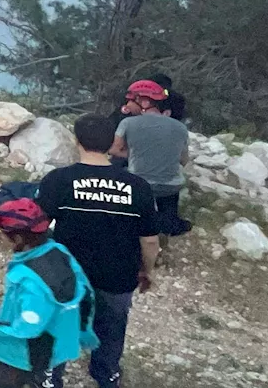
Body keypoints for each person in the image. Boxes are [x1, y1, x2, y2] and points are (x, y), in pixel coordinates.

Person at [37, 114, 160, 388]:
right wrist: (146, 270)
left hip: (68, 274)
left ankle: (50, 377)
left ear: (76, 140)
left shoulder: (58, 180)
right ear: (111, 144)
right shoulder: (138, 187)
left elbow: (37, 228)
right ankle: (107, 374)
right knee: (112, 326)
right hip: (118, 274)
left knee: (59, 324)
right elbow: (150, 241)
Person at [0, 198, 98, 388]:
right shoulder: (58, 251)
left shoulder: (29, 280)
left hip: (20, 357)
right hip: (55, 346)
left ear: (18, 239)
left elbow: (25, 330)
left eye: (2, 234)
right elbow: (86, 294)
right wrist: (85, 334)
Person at [111, 80, 193, 245]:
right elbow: (184, 160)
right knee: (168, 205)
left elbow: (114, 150)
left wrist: (135, 153)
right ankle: (168, 224)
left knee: (118, 168)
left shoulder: (127, 123)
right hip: (171, 186)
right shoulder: (180, 127)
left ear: (145, 102)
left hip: (139, 185)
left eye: (132, 100)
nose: (127, 104)